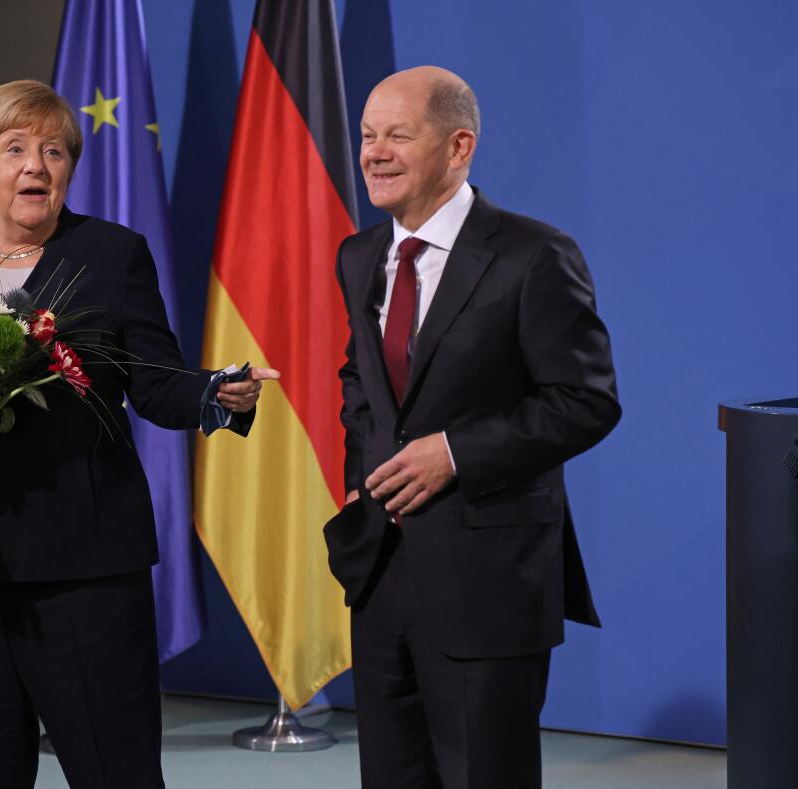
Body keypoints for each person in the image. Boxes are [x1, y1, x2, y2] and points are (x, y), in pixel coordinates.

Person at [0, 80, 278, 789]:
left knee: (116, 772)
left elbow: (155, 380)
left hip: (82, 571)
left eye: (54, 150)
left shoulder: (111, 255)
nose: (36, 166)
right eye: (15, 148)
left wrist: (214, 392)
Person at [324, 66, 620, 788]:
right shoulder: (359, 256)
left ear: (459, 146)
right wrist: (367, 480)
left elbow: (585, 399)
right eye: (367, 135)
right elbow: (360, 381)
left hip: (488, 584)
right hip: (382, 577)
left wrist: (454, 454)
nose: (374, 152)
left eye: (398, 134)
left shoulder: (534, 255)